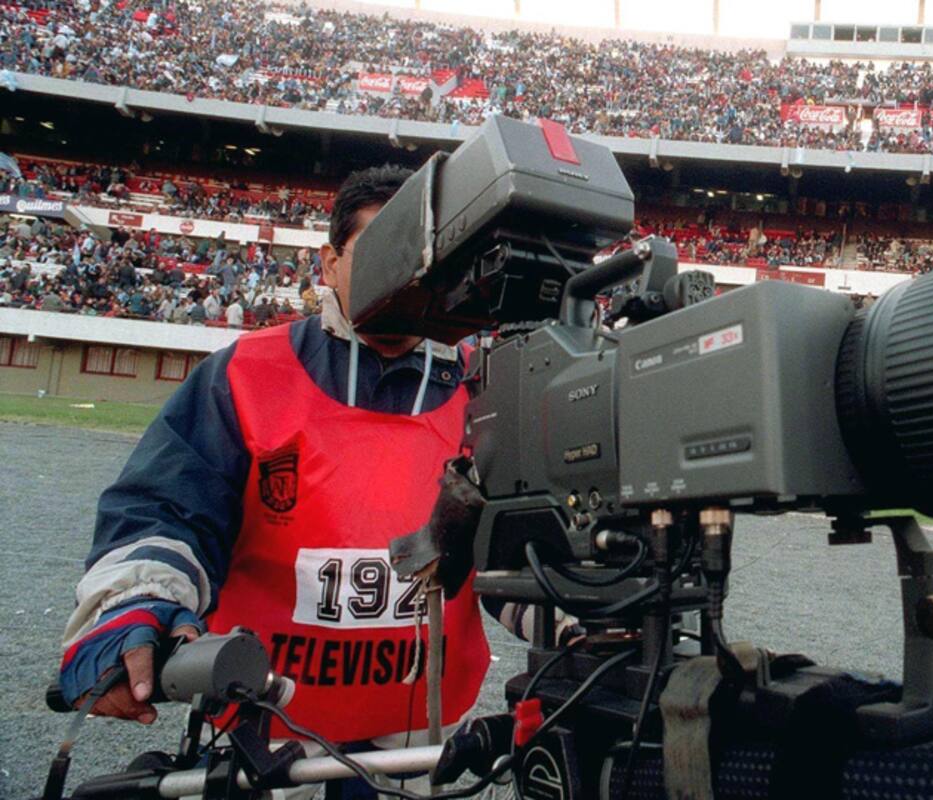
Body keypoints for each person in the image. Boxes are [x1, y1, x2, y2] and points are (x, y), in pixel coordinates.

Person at [57, 166, 568, 798]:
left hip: (418, 737)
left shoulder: (487, 388)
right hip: (263, 728)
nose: (409, 272)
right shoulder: (244, 374)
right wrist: (135, 607)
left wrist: (579, 611)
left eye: (427, 255)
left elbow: (510, 555)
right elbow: (167, 511)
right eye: (384, 249)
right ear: (328, 263)